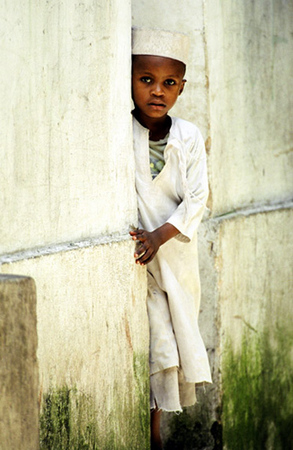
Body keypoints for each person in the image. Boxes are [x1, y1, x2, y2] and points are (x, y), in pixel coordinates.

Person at [129, 28, 212, 450]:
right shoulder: (120, 133)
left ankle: (156, 426)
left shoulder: (189, 137)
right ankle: (153, 434)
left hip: (175, 255)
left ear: (182, 87)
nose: (157, 91)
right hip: (139, 258)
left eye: (168, 83)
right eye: (146, 79)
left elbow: (198, 197)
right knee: (158, 340)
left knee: (175, 341)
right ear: (129, 79)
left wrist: (159, 236)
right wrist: (143, 239)